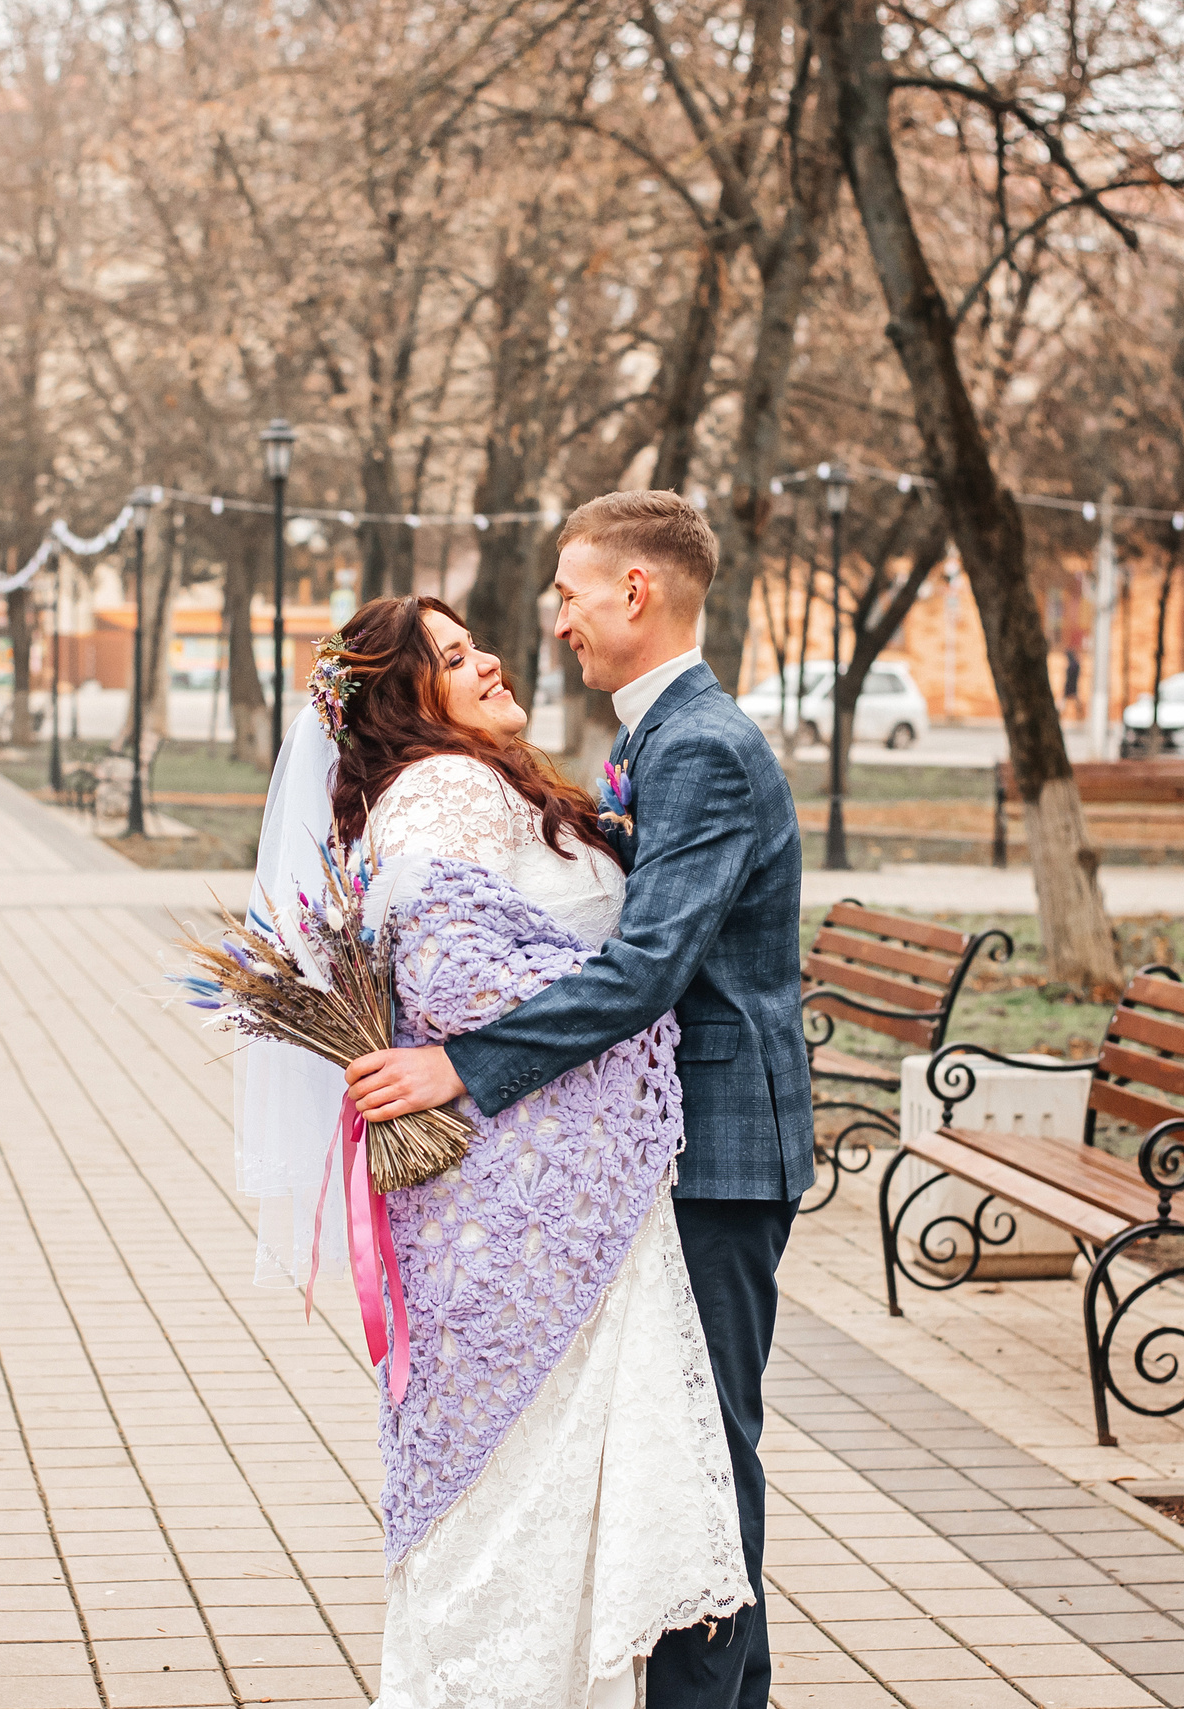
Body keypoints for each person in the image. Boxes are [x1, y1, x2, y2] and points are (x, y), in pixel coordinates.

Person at [347, 489, 813, 1709]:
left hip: (719, 1144)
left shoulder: (697, 744)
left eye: (568, 593)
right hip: (676, 1145)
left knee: (706, 1458)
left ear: (633, 591)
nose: (553, 620)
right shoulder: (659, 736)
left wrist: (465, 1064)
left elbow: (648, 967)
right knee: (696, 1454)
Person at [241, 591, 748, 1709]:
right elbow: (457, 974)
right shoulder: (446, 787)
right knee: (526, 1491)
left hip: (529, 1186)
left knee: (533, 1489)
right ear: (401, 700)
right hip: (529, 1205)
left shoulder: (473, 781)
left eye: (476, 643)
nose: (489, 662)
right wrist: (640, 1000)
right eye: (454, 656)